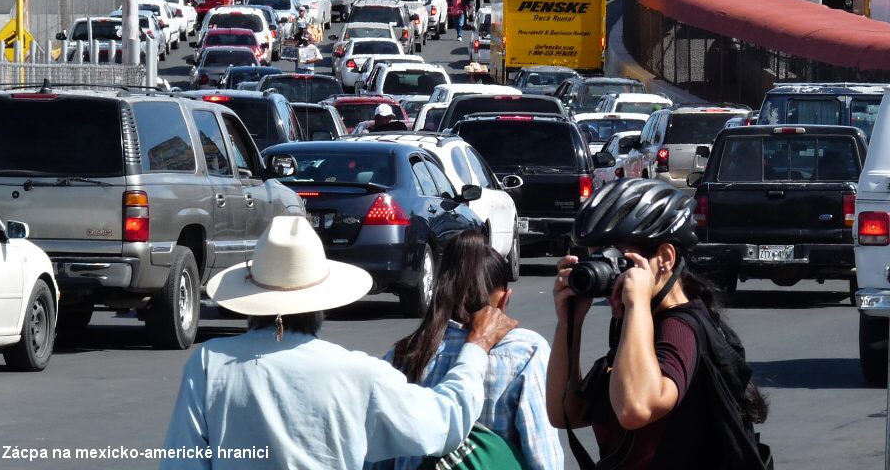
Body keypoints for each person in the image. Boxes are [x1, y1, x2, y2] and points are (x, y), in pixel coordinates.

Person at [160, 216, 517, 470]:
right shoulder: (358, 373)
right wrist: (476, 347)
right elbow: (446, 423)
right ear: (320, 300)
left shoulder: (209, 364)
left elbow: (183, 461)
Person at [546, 178, 769, 470]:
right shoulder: (638, 330)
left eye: (619, 262)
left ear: (664, 258)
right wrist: (569, 323)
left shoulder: (681, 329)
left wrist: (637, 303)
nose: (611, 277)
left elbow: (634, 408)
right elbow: (566, 413)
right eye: (598, 259)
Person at [367, 231, 564, 470]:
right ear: (503, 300)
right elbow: (543, 457)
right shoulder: (525, 352)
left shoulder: (403, 355)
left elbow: (377, 460)